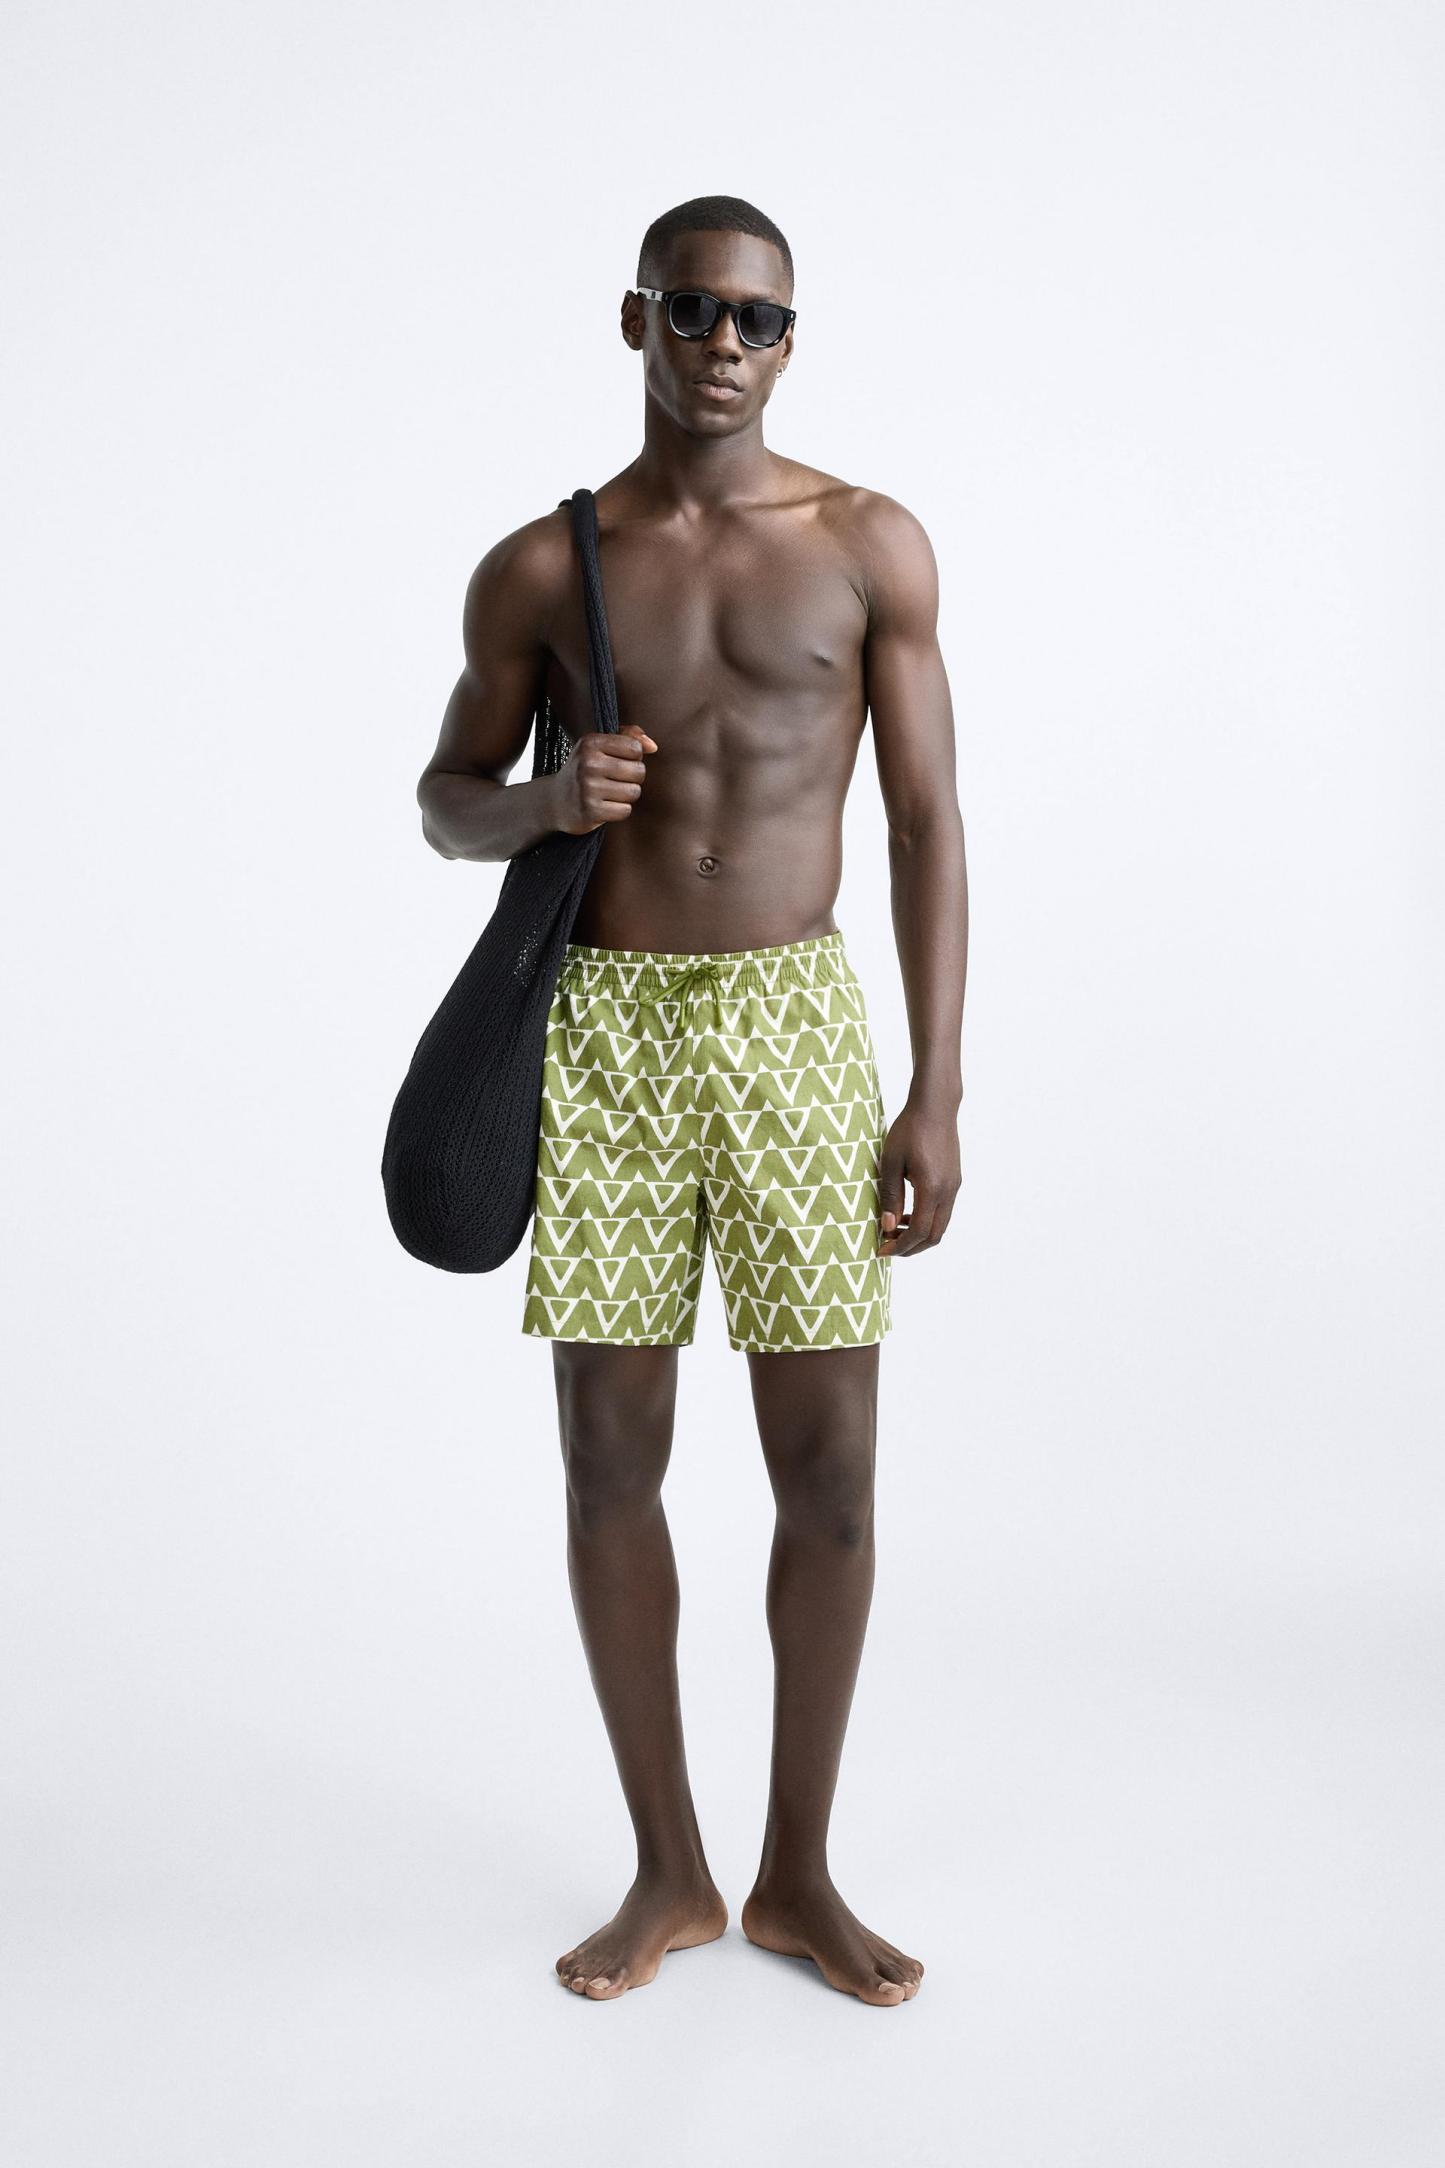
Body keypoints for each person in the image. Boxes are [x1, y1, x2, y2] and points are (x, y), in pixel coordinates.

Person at [415, 196, 968, 2006]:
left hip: (800, 1020)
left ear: (790, 340)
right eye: (690, 311)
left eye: (756, 319)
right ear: (634, 319)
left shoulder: (867, 542)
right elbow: (442, 798)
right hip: (611, 1028)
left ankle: (799, 1874)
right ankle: (667, 1868)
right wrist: (544, 801)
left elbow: (923, 823)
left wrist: (936, 1087)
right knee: (607, 1456)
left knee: (832, 1477)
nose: (722, 345)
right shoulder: (539, 567)